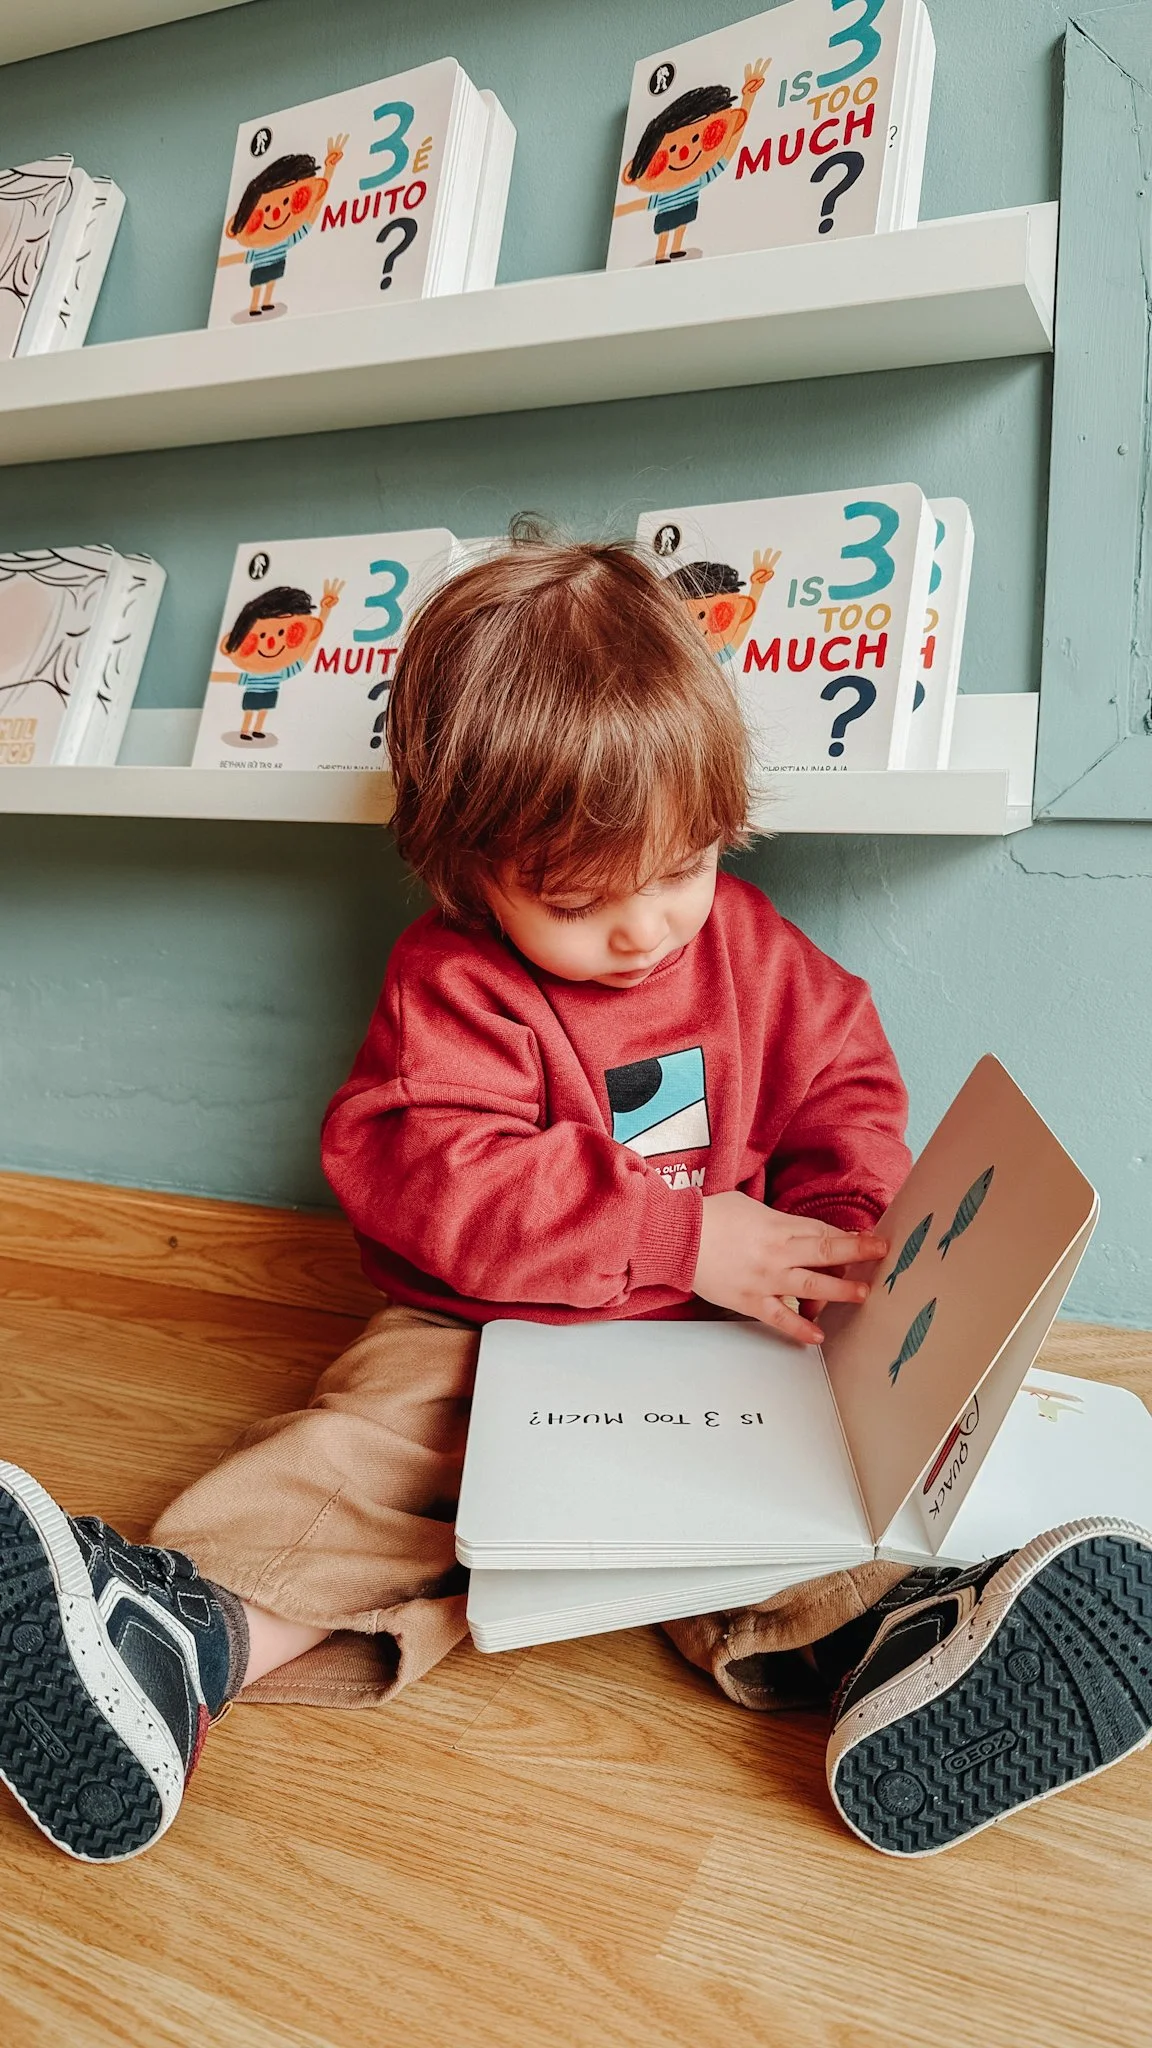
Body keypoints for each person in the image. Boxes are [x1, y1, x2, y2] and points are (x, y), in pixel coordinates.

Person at [2, 533, 1149, 1865]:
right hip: (479, 1336)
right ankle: (173, 1645)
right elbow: (426, 1170)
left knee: (777, 1504)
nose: (646, 928)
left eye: (682, 867)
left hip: (713, 1351)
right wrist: (679, 1231)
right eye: (577, 898)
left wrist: (843, 1226)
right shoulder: (456, 985)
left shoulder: (748, 950)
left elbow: (841, 1074)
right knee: (376, 1464)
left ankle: (896, 1644)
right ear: (465, 868)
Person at [614, 63, 768, 262]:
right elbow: (645, 203)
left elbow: (725, 158)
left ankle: (676, 249)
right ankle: (661, 254)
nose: (684, 153)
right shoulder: (666, 190)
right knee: (665, 232)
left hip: (686, 208)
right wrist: (620, 212)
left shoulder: (694, 182)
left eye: (698, 139)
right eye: (670, 151)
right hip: (667, 213)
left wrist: (748, 100)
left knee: (681, 227)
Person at [216, 136, 347, 317]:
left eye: (288, 201)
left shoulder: (285, 241)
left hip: (277, 265)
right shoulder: (261, 246)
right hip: (261, 268)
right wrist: (222, 262)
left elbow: (311, 217)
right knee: (259, 286)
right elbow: (243, 257)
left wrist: (329, 171)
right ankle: (255, 305)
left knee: (270, 283)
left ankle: (266, 302)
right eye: (266, 209)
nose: (276, 214)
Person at [210, 578, 343, 742]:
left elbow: (304, 656)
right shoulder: (255, 673)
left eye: (282, 634)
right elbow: (237, 678)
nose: (271, 643)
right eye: (262, 636)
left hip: (270, 693)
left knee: (263, 710)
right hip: (253, 693)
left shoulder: (279, 673)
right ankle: (245, 730)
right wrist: (213, 677)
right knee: (250, 711)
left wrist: (324, 613)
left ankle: (257, 730)